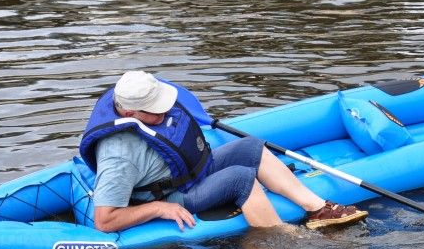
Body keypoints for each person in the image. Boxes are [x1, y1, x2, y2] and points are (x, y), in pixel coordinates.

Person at [78, 70, 368, 233]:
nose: (166, 112)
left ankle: (319, 209)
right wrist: (160, 208)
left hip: (192, 170)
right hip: (171, 194)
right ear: (130, 112)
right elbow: (105, 219)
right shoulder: (118, 154)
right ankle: (283, 240)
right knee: (241, 178)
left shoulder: (142, 107)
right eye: (156, 111)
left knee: (252, 146)